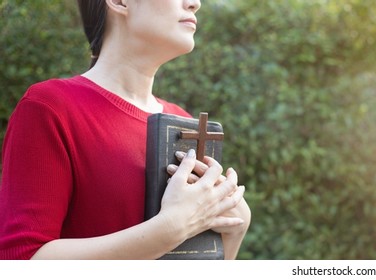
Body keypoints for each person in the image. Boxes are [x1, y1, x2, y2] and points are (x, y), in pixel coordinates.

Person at [0, 0, 251, 259]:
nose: (195, 3)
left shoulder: (183, 123)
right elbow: (21, 259)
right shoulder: (50, 107)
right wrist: (167, 231)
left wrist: (233, 232)